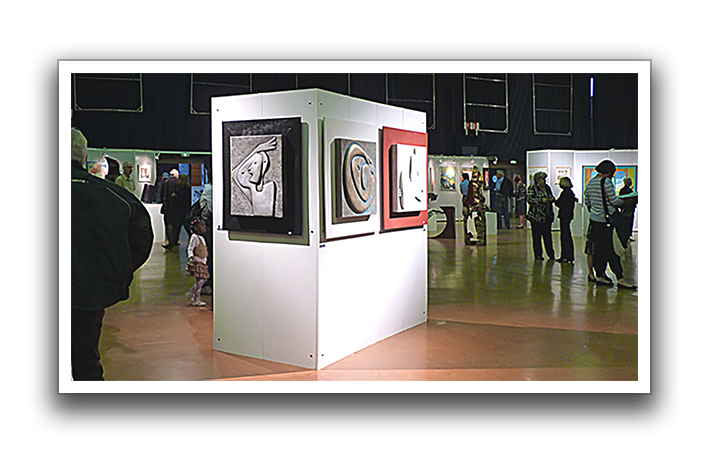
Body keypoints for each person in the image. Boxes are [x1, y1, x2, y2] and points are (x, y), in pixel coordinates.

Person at [71, 128, 153, 380]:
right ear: (84, 157)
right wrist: (115, 270)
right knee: (85, 361)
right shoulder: (115, 196)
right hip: (89, 293)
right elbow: (141, 236)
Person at [584, 160, 636, 289]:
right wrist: (626, 200)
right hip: (607, 221)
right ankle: (620, 278)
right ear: (609, 171)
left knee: (599, 249)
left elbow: (587, 202)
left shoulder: (591, 182)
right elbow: (614, 201)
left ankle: (600, 275)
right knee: (613, 250)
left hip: (595, 221)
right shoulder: (606, 182)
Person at [527, 171, 556, 260]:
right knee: (536, 237)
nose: (544, 181)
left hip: (547, 216)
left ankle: (550, 254)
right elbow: (530, 200)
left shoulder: (547, 188)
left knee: (548, 236)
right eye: (542, 179)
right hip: (536, 217)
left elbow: (552, 197)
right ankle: (538, 255)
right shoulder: (532, 188)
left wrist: (551, 199)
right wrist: (541, 200)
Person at [185, 219, 210, 307]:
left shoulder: (201, 238)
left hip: (202, 262)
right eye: (202, 225)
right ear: (196, 227)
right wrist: (191, 257)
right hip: (198, 262)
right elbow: (190, 248)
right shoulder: (194, 237)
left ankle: (194, 295)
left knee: (202, 280)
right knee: (200, 281)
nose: (204, 227)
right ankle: (194, 297)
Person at [554, 176, 578, 263]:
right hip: (568, 216)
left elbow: (559, 203)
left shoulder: (565, 193)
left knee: (565, 236)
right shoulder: (570, 193)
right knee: (566, 235)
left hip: (564, 216)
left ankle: (565, 256)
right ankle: (568, 256)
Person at [463, 166, 486, 245]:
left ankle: (478, 237)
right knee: (474, 222)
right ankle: (475, 237)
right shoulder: (473, 185)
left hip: (475, 204)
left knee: (477, 222)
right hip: (473, 204)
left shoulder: (474, 185)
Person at [160, 169, 180, 250]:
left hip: (168, 207)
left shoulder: (166, 183)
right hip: (177, 208)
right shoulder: (179, 183)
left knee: (168, 224)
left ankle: (170, 240)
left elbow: (162, 194)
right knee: (176, 225)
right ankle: (175, 240)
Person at [618, 177, 638, 242]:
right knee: (628, 223)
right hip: (628, 210)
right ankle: (627, 236)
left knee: (625, 224)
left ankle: (626, 236)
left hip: (624, 210)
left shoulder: (622, 190)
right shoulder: (629, 191)